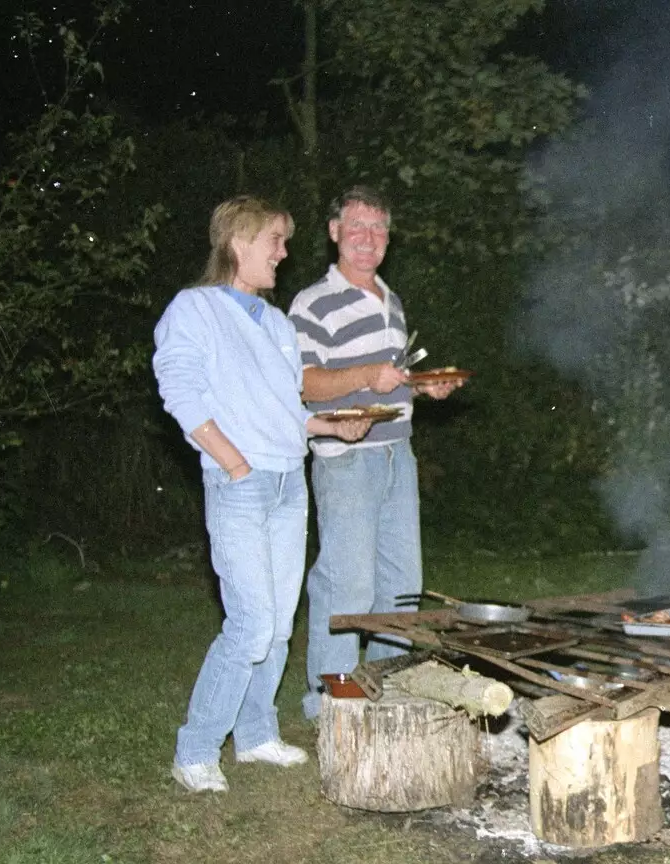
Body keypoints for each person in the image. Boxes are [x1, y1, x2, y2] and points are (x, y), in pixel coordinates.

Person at [153, 196, 371, 794]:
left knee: (277, 625)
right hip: (242, 486)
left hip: (287, 483)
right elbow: (181, 394)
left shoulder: (275, 323)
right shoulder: (193, 310)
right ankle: (195, 750)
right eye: (275, 240)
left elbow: (286, 411)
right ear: (239, 242)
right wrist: (234, 463)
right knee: (249, 624)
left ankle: (255, 735)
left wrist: (332, 424)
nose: (283, 252)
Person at [289, 185, 464, 720]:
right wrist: (367, 374)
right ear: (335, 232)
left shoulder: (390, 299)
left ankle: (384, 685)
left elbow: (388, 385)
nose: (368, 238)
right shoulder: (312, 303)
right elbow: (302, 383)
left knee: (403, 585)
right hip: (346, 459)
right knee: (348, 583)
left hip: (396, 454)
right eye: (357, 227)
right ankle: (330, 701)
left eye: (379, 228)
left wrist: (420, 388)